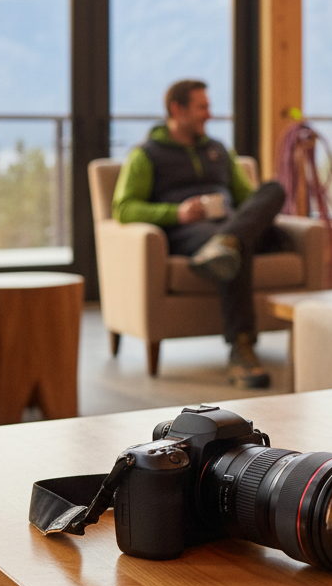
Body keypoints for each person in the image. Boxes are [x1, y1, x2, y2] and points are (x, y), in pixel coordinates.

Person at [112, 78, 289, 389]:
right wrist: (176, 212)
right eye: (202, 107)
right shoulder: (146, 155)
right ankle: (241, 349)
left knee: (273, 190)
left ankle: (228, 241)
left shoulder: (219, 150)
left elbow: (247, 197)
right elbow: (124, 208)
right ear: (176, 110)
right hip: (189, 234)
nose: (209, 114)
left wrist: (251, 215)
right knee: (236, 249)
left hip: (231, 224)